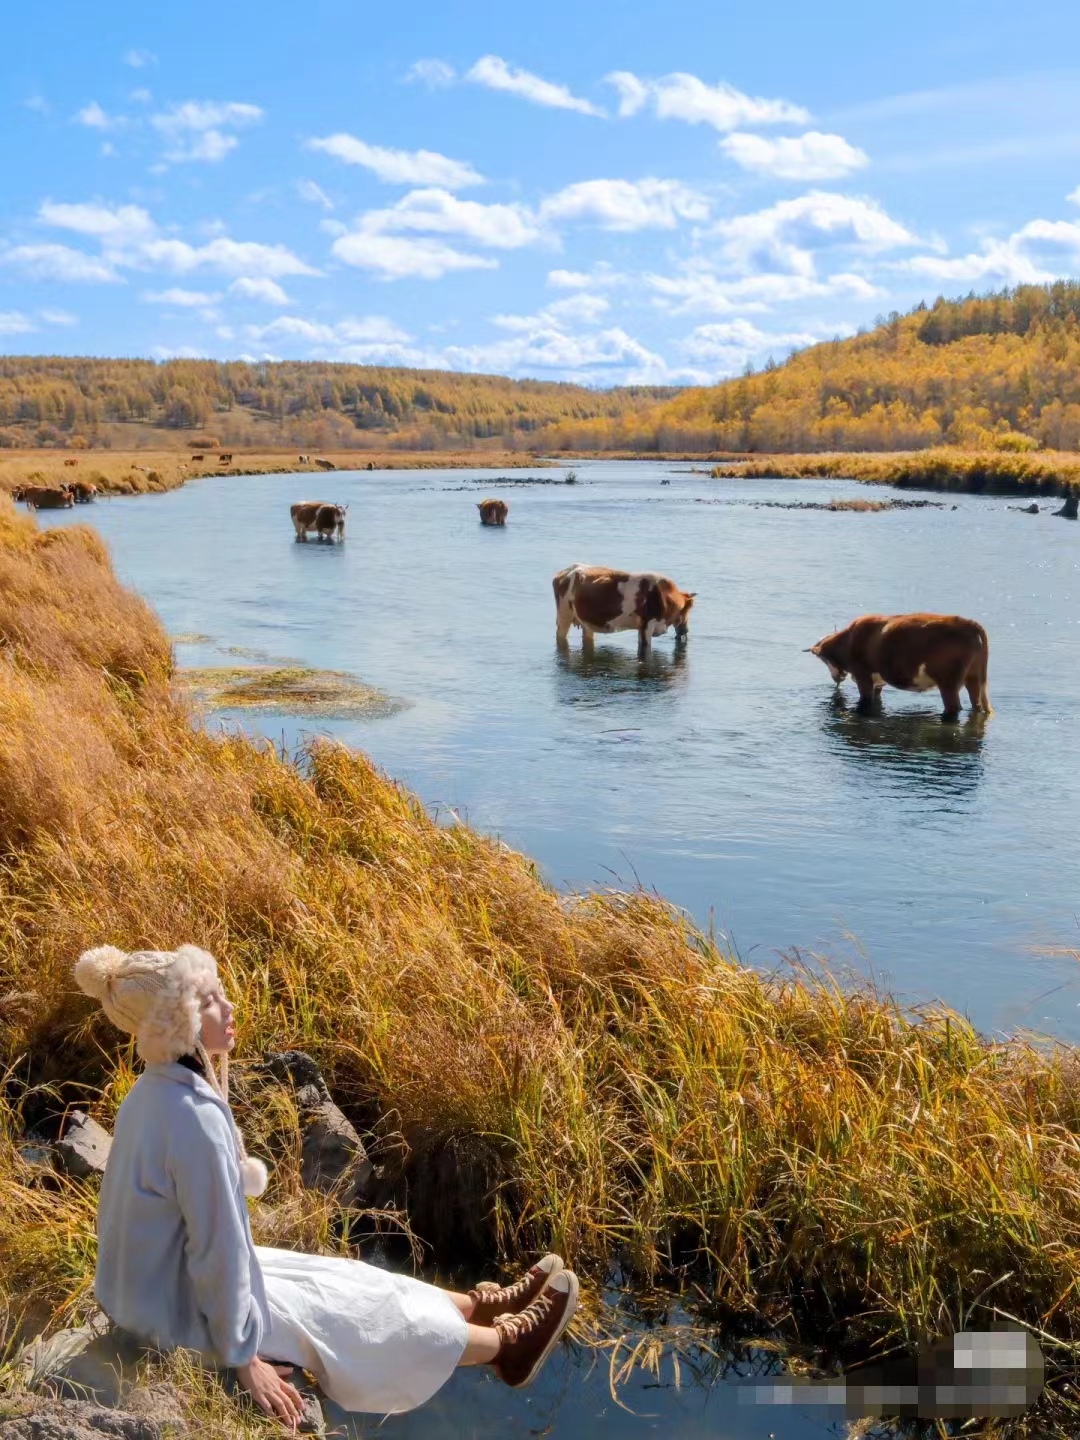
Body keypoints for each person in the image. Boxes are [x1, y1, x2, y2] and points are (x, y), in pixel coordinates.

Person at [74, 944, 578, 1430]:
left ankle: (479, 1308)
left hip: (149, 1287)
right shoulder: (192, 1115)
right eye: (207, 1001)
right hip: (169, 1315)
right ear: (175, 1024)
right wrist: (244, 1358)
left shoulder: (156, 1086)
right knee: (349, 1318)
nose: (228, 1006)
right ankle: (505, 1349)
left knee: (347, 1280)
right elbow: (216, 1249)